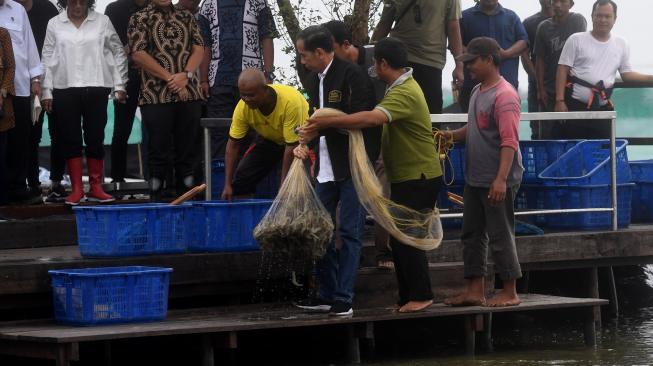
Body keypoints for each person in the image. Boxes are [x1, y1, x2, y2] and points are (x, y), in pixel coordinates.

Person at [298, 37, 443, 313]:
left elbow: (371, 118)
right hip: (407, 175)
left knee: (408, 238)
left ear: (383, 63)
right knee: (398, 237)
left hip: (419, 174)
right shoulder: (397, 87)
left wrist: (326, 121)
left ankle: (422, 295)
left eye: (375, 64)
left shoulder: (404, 92)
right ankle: (407, 296)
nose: (373, 69)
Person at [293, 25, 379, 317]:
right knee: (319, 230)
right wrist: (305, 135)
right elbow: (318, 120)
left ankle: (344, 297)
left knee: (350, 232)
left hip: (353, 166)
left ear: (320, 52)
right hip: (326, 168)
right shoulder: (315, 77)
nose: (302, 61)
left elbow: (362, 120)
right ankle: (327, 294)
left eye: (304, 55)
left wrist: (325, 123)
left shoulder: (351, 74)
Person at [443, 37, 524, 308]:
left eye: (472, 62)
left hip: (497, 179)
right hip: (476, 178)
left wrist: (501, 179)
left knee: (500, 234)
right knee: (472, 234)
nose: (468, 68)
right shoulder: (478, 90)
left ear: (489, 60)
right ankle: (474, 289)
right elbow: (474, 129)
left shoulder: (505, 95)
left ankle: (510, 291)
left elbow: (509, 141)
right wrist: (450, 137)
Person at [41, 0, 128, 205]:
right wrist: (46, 90)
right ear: (65, 2)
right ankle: (77, 189)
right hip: (64, 88)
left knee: (95, 137)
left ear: (90, 2)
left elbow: (117, 52)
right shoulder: (54, 23)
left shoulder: (103, 21)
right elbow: (46, 57)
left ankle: (96, 187)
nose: (78, 5)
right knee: (70, 139)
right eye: (73, 1)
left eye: (83, 1)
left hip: (97, 86)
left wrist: (120, 84)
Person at [322, 19, 392, 270]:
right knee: (347, 195)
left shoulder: (377, 58)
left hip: (381, 136)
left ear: (346, 45)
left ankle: (384, 251)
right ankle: (350, 252)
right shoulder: (330, 73)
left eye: (330, 48)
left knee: (381, 192)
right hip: (349, 141)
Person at [128, 0, 205, 200]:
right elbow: (138, 54)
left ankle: (190, 198)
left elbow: (199, 48)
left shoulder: (186, 16)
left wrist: (186, 76)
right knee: (158, 150)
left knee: (188, 150)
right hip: (155, 95)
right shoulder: (139, 17)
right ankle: (159, 199)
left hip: (189, 91)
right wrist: (171, 78)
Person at [554, 0, 653, 139]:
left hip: (603, 109)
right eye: (599, 15)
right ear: (592, 16)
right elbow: (562, 69)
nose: (602, 20)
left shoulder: (621, 43)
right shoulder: (576, 39)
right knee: (573, 149)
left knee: (603, 150)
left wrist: (650, 78)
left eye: (607, 16)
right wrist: (560, 101)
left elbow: (627, 74)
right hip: (574, 107)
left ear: (615, 19)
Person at [199, 0, 277, 159]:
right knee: (220, 135)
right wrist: (203, 80)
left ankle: (250, 179)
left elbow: (267, 36)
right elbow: (204, 44)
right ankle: (221, 181)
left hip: (253, 81)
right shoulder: (207, 4)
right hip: (218, 81)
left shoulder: (258, 2)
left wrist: (268, 74)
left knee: (254, 133)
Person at [221, 69, 308, 200]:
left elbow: (291, 147)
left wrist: (284, 186)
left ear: (265, 89)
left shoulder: (290, 102)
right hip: (270, 139)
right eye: (243, 95)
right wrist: (227, 185)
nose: (247, 100)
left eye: (251, 95)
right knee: (243, 178)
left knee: (295, 186)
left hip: (301, 143)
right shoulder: (242, 107)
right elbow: (233, 145)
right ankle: (247, 214)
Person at [370, 0, 463, 114]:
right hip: (397, 59)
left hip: (430, 61)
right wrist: (371, 54)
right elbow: (384, 23)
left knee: (430, 115)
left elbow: (453, 26)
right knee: (391, 111)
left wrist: (459, 65)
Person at [14, 0, 59, 202]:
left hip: (54, 80)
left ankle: (57, 182)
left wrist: (45, 81)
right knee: (29, 136)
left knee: (59, 133)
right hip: (25, 85)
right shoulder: (13, 10)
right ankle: (31, 183)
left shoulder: (47, 8)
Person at [0, 0, 44, 204]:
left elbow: (29, 46)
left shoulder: (17, 10)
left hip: (20, 86)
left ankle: (18, 188)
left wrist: (36, 79)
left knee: (21, 140)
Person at [105, 0, 147, 184]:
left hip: (153, 77)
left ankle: (155, 178)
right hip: (126, 76)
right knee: (121, 129)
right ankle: (117, 179)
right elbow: (109, 46)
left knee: (156, 129)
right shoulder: (115, 9)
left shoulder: (155, 7)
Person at [459, 0, 528, 113]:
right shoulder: (464, 17)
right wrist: (477, 55)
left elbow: (524, 41)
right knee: (471, 123)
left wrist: (506, 53)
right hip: (472, 85)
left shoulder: (512, 17)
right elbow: (456, 44)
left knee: (507, 122)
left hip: (507, 84)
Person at [534, 0, 586, 129]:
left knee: (574, 131)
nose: (558, 5)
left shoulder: (577, 21)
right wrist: (540, 89)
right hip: (550, 89)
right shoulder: (543, 27)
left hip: (573, 89)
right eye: (555, 1)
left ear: (571, 4)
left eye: (562, 1)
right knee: (549, 132)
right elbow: (539, 60)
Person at [521, 0, 552, 139]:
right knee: (537, 128)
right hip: (536, 85)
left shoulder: (570, 21)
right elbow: (524, 53)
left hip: (563, 84)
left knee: (564, 125)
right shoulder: (529, 23)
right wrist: (537, 79)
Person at [0, 27, 15, 206]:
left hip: (2, 109)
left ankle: (2, 204)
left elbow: (10, 67)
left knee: (1, 160)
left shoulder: (3, 34)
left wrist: (3, 91)